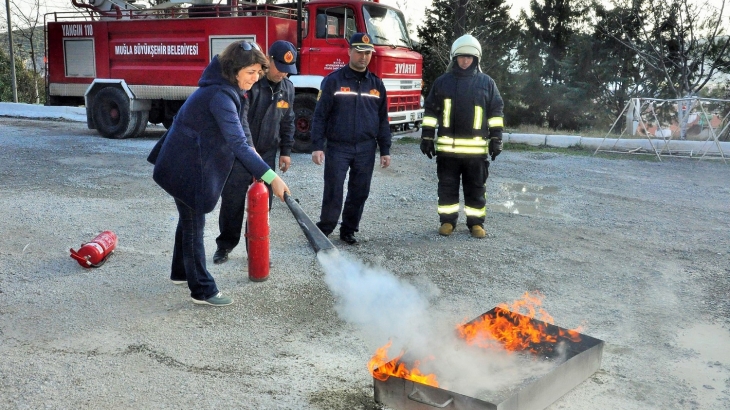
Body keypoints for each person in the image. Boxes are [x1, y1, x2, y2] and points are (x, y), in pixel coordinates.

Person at [149, 41, 290, 307]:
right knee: (194, 224)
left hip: (188, 162)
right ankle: (201, 289)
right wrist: (273, 178)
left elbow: (244, 134)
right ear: (235, 70)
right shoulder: (220, 96)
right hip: (184, 166)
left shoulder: (235, 91)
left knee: (188, 219)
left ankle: (181, 272)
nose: (256, 77)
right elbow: (237, 143)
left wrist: (259, 164)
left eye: (259, 72)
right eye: (251, 72)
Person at [213, 40, 297, 265]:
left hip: (267, 153)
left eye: (288, 71)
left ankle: (256, 251)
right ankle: (225, 246)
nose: (283, 74)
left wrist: (286, 151)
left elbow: (288, 122)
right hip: (240, 155)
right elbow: (241, 124)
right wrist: (249, 151)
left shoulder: (288, 88)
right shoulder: (251, 85)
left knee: (262, 205)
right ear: (268, 60)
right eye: (280, 67)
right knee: (232, 202)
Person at [419, 34, 504, 239]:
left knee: (475, 188)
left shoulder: (487, 83)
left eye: (469, 57)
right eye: (461, 57)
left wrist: (496, 138)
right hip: (448, 152)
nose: (465, 61)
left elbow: (496, 112)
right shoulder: (442, 83)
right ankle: (447, 222)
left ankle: (476, 224)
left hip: (475, 154)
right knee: (447, 188)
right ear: (454, 58)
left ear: (476, 59)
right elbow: (431, 111)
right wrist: (427, 137)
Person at [310, 32, 391, 245]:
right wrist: (318, 146)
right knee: (334, 189)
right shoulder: (333, 81)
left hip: (366, 148)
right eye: (359, 52)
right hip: (338, 147)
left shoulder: (377, 85)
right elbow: (320, 116)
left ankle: (348, 230)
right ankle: (325, 229)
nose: (363, 57)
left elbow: (383, 120)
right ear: (349, 52)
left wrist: (385, 149)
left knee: (359, 191)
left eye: (367, 53)